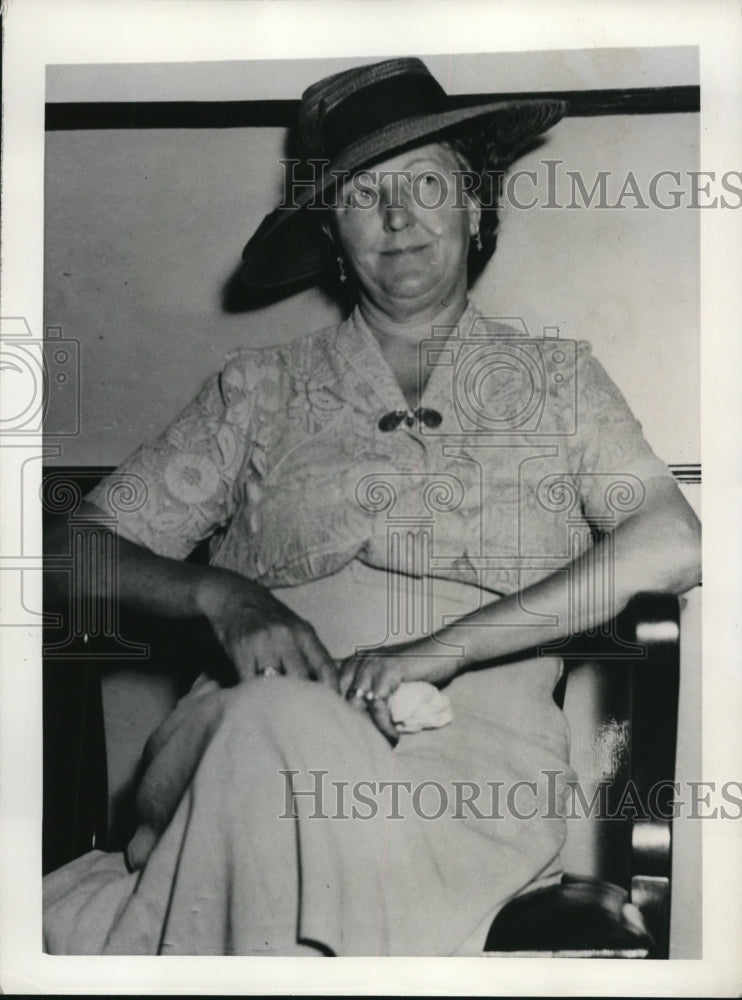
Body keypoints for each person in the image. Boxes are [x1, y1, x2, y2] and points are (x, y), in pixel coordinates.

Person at [42, 57, 701, 956]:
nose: (398, 217)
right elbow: (71, 551)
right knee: (272, 723)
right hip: (233, 748)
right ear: (331, 235)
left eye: (428, 183)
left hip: (466, 783)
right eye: (362, 194)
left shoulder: (560, 382)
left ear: (475, 210)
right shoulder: (257, 389)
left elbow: (671, 540)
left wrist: (441, 651)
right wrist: (224, 598)